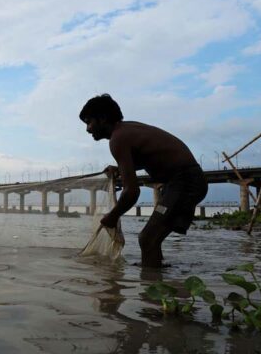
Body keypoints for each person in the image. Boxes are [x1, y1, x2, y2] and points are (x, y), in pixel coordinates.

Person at [80, 94, 207, 267]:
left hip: (185, 182)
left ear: (102, 119)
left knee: (147, 238)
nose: (87, 129)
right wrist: (119, 169)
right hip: (180, 182)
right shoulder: (126, 131)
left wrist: (112, 216)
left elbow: (132, 192)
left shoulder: (118, 138)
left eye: (89, 122)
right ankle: (158, 274)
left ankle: (150, 286)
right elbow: (151, 157)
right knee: (152, 238)